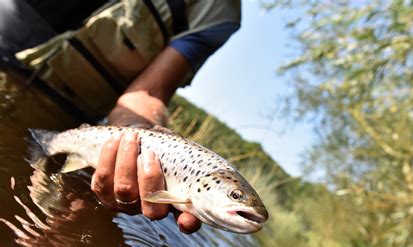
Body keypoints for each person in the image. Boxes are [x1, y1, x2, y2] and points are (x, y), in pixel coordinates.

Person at [0, 0, 241, 234]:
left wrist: (129, 138)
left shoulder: (218, 16)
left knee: (41, 229)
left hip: (62, 114)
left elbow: (149, 92)